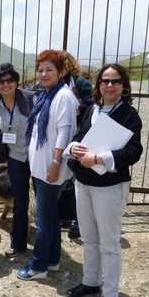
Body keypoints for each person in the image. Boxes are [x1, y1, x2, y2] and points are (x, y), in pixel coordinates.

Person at [63, 64, 143, 297]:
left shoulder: (129, 115)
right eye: (105, 81)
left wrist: (99, 158)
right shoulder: (92, 109)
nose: (109, 86)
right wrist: (75, 148)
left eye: (115, 81)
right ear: (98, 85)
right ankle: (90, 281)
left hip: (110, 187)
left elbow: (134, 152)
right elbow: (78, 135)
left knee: (109, 243)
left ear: (124, 86)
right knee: (89, 237)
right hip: (83, 183)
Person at [16, 49, 78, 280]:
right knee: (50, 217)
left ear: (61, 71)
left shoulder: (63, 96)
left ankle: (38, 266)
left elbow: (64, 133)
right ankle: (52, 259)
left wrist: (55, 163)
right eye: (40, 70)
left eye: (49, 69)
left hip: (50, 169)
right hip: (41, 168)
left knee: (42, 220)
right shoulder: (46, 95)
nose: (43, 74)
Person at [0, 63, 37, 258]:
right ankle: (18, 242)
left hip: (37, 155)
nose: (6, 84)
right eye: (1, 81)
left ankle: (46, 248)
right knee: (20, 200)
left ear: (16, 81)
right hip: (15, 157)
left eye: (10, 80)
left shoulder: (30, 99)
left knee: (42, 201)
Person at [58, 51, 94, 239]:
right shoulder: (55, 84)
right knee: (63, 179)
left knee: (75, 180)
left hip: (81, 137)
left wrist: (77, 109)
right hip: (62, 137)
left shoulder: (79, 83)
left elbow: (93, 105)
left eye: (60, 64)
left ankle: (80, 222)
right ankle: (65, 216)